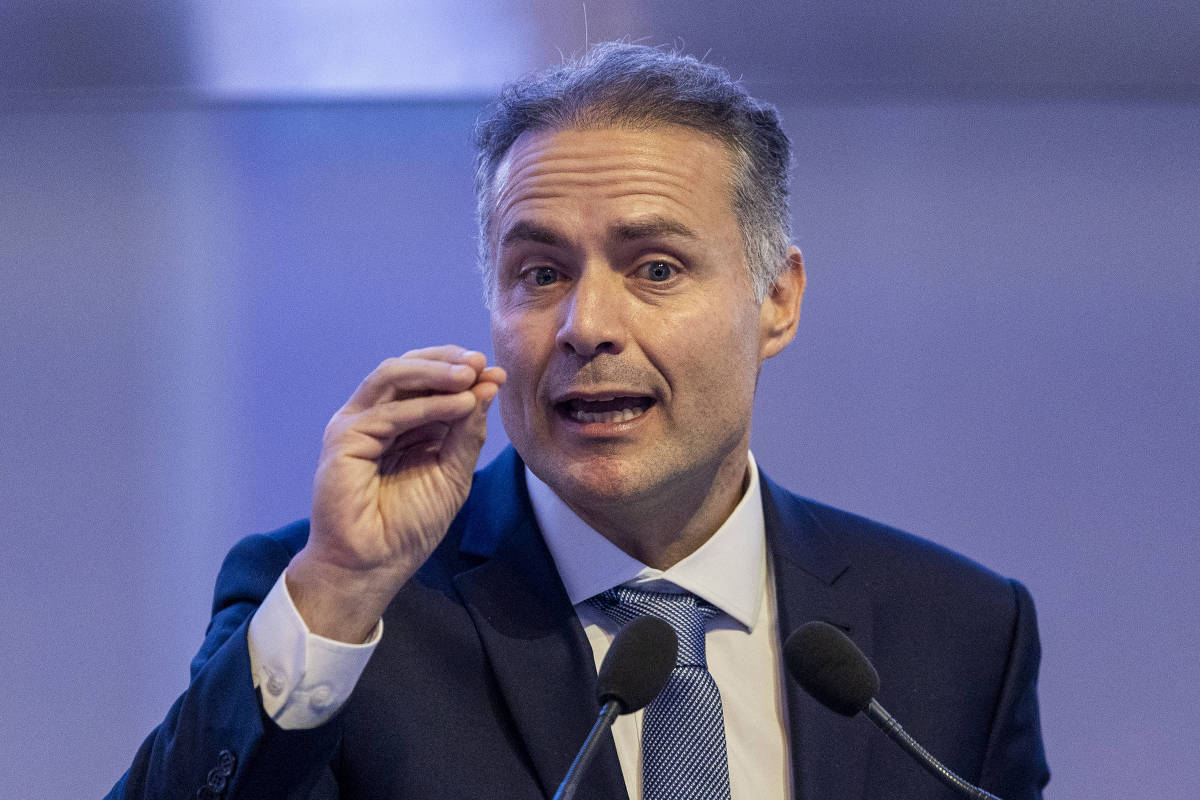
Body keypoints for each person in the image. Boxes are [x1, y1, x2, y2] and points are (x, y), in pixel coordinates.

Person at [108, 42, 1049, 800]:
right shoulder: (344, 610)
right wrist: (340, 591)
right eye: (541, 274)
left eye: (656, 268)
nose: (586, 325)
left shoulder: (958, 633)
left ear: (777, 300)